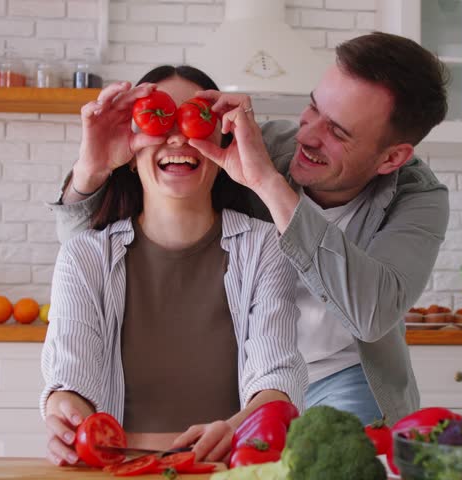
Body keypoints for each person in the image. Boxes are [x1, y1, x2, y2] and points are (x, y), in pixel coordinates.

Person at [51, 32, 450, 426]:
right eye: (313, 109)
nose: (306, 136)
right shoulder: (259, 142)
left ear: (392, 157)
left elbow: (371, 313)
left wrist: (267, 183)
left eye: (338, 132)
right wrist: (91, 170)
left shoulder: (418, 198)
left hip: (342, 373)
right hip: (245, 370)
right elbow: (90, 251)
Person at [41, 65, 308, 467]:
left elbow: (276, 378)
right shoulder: (85, 256)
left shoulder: (265, 246)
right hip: (120, 468)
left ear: (223, 148)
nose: (180, 135)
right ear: (130, 155)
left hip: (227, 469)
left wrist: (238, 428)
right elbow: (72, 376)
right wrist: (65, 409)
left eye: (196, 120)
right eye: (160, 118)